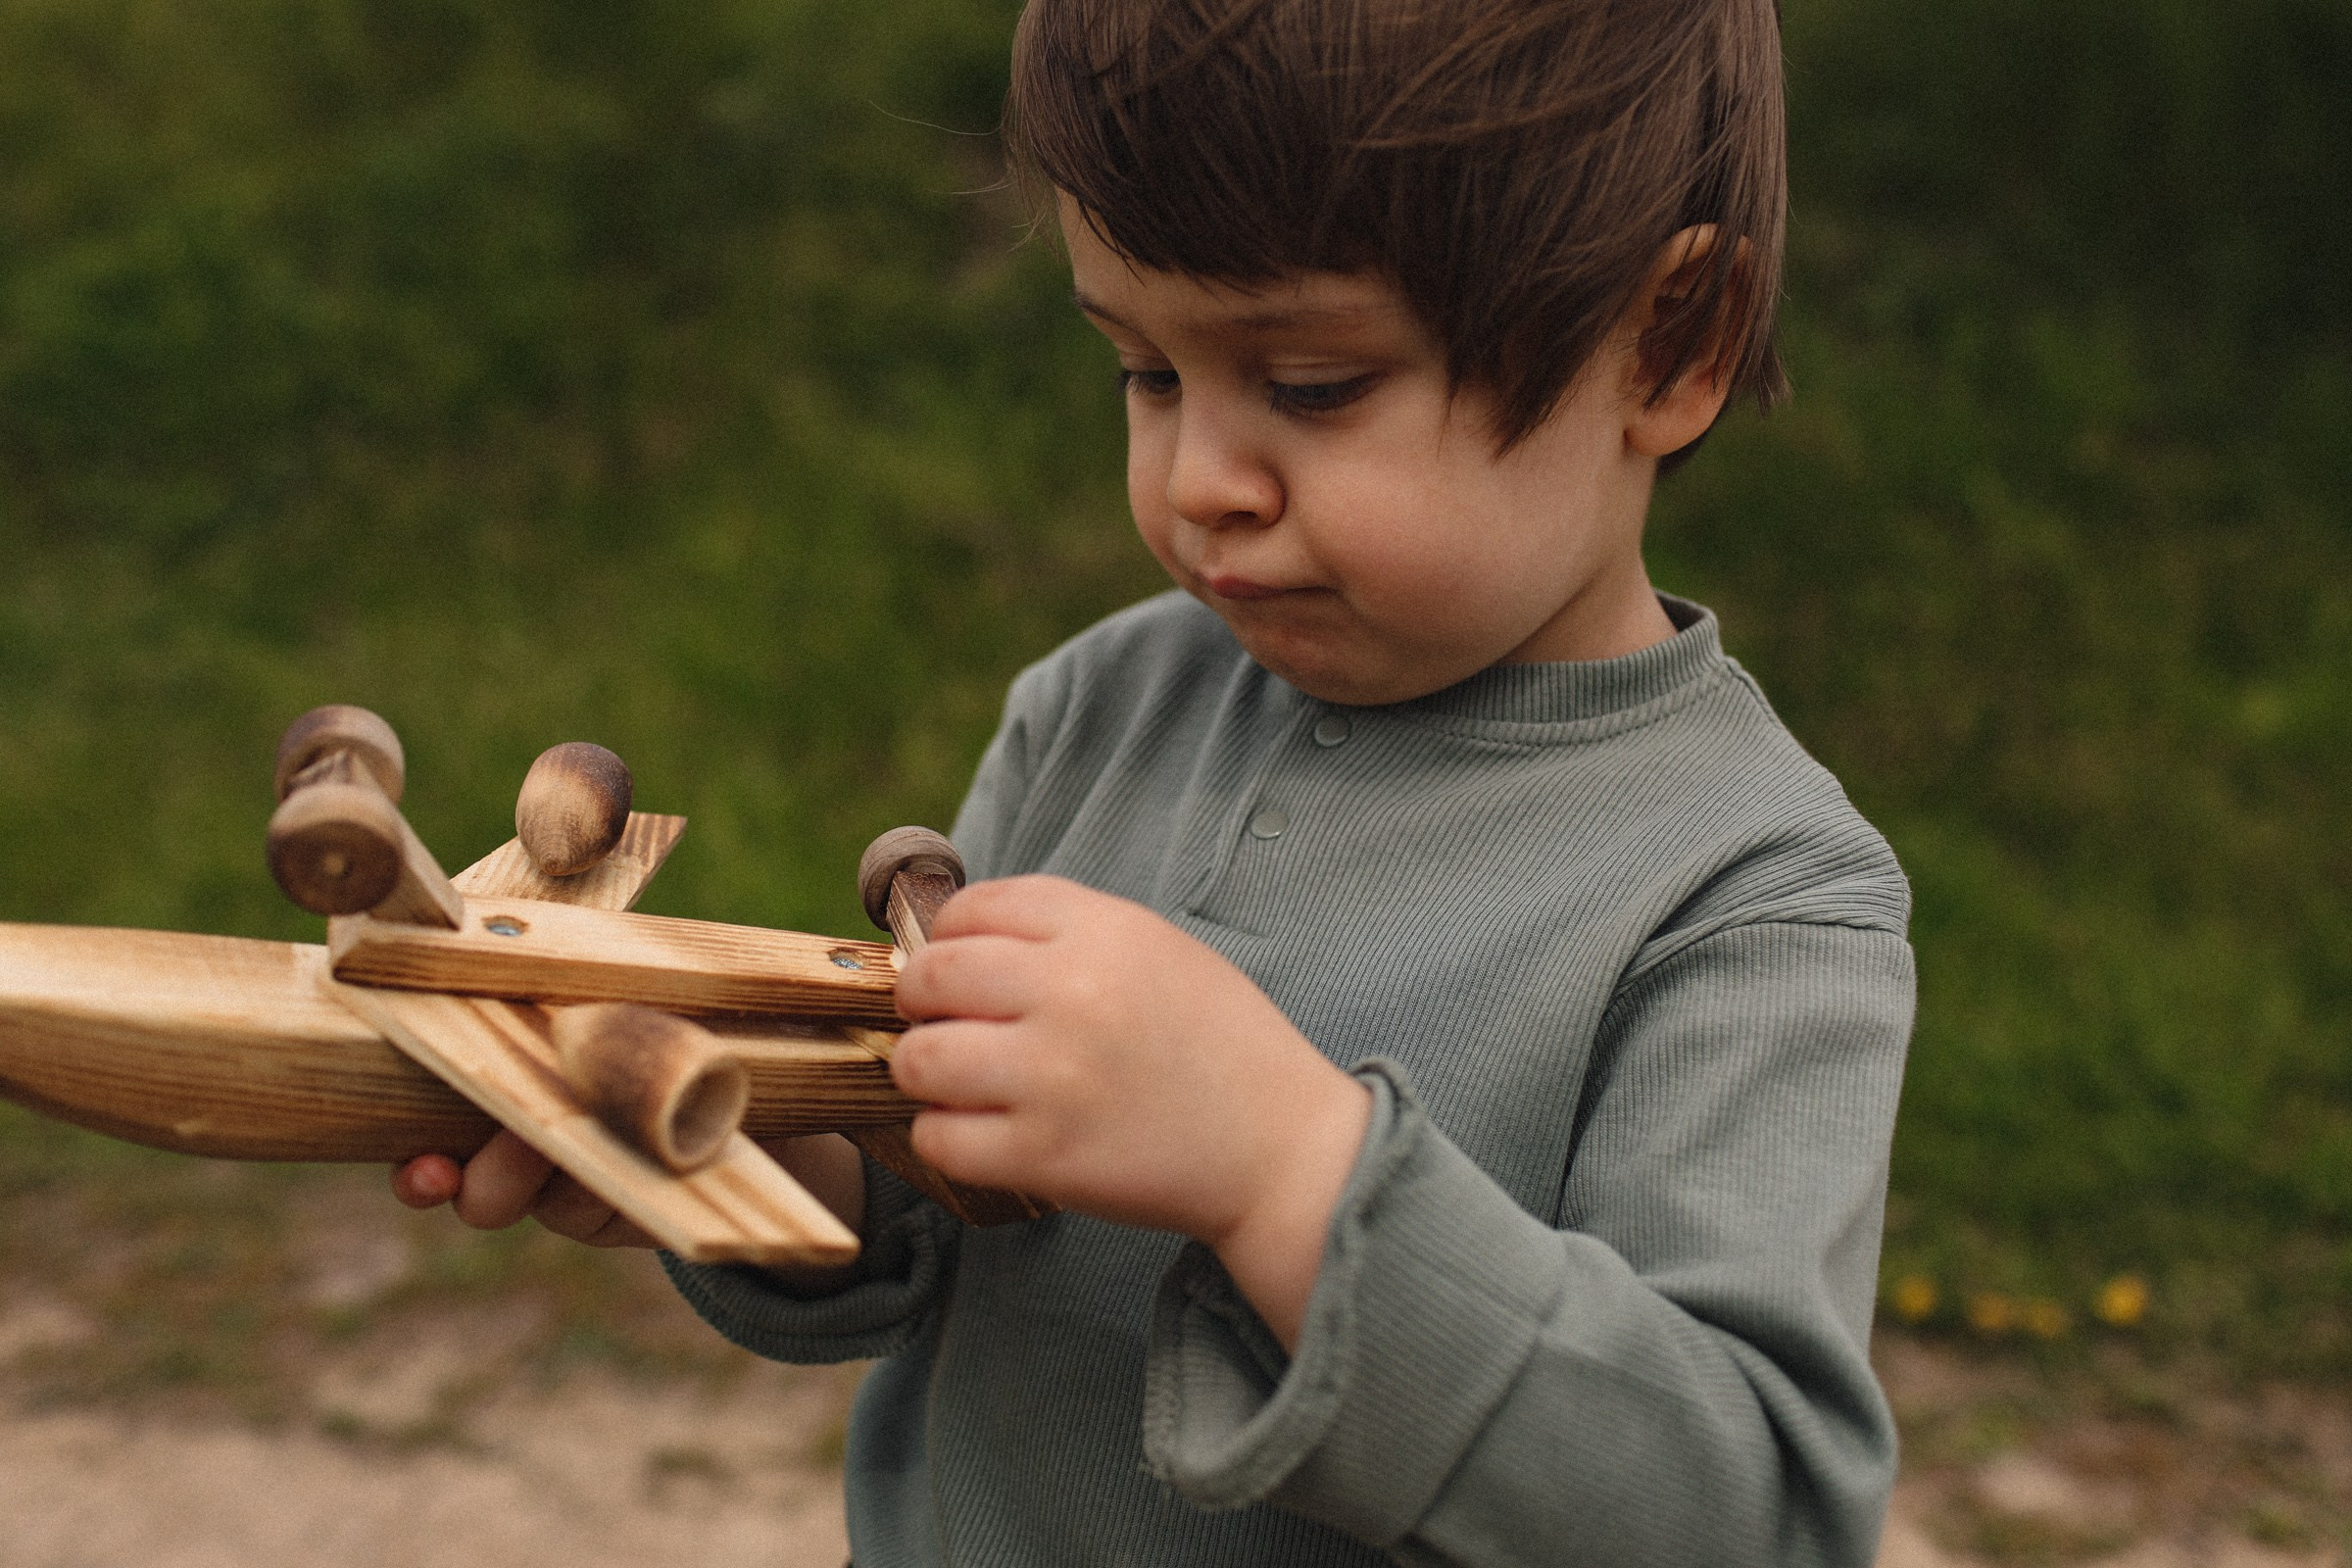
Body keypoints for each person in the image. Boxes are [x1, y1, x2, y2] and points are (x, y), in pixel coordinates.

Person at [395, 0, 1916, 1561]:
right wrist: (718, 1138)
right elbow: (938, 1212)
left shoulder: (1747, 892)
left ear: (1668, 344)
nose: (1198, 484)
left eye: (1313, 383)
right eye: (1146, 371)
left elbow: (1754, 1513)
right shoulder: (1102, 705)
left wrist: (1284, 1168)